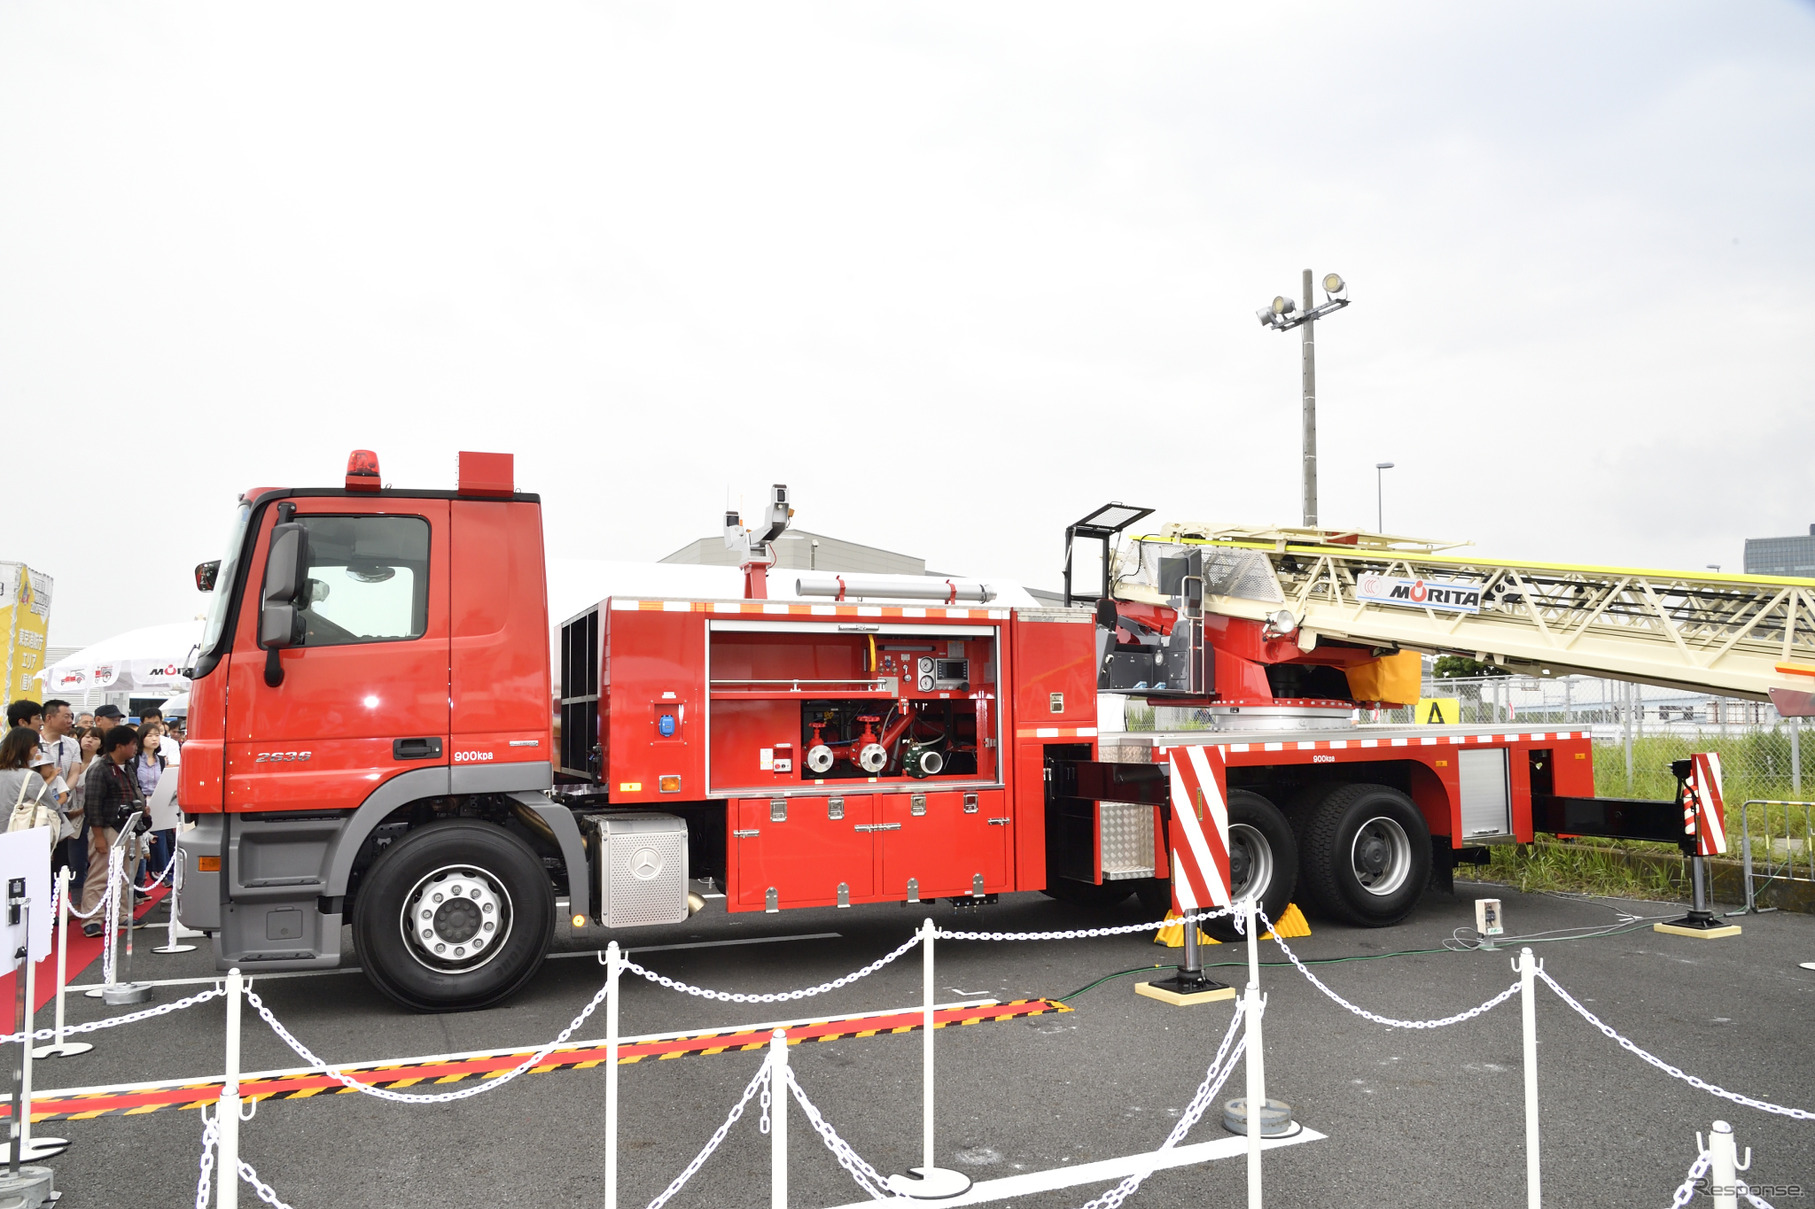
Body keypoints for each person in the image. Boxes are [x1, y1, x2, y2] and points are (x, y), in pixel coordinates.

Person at [80, 726, 146, 936]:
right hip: (108, 827)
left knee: (127, 873)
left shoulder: (129, 767)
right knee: (100, 874)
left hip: (131, 826)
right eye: (133, 744)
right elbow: (92, 804)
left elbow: (136, 791)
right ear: (119, 745)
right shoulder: (100, 768)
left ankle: (122, 914)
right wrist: (98, 836)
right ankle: (92, 918)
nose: (136, 748)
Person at [133, 721, 173, 890]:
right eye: (149, 735)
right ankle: (142, 877)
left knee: (160, 836)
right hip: (140, 801)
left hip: (158, 800)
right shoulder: (135, 760)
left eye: (157, 735)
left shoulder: (162, 760)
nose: (154, 739)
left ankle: (162, 871)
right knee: (142, 837)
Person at [0, 728, 53, 832]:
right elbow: (51, 804)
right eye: (35, 745)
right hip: (17, 833)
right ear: (26, 747)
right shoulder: (30, 776)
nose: (37, 749)